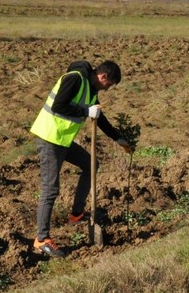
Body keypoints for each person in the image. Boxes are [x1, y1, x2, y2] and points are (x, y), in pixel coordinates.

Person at [31, 60, 134, 258]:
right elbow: (59, 105)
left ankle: (76, 214)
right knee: (50, 189)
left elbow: (99, 118)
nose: (107, 89)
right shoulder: (75, 79)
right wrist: (86, 111)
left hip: (63, 140)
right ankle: (41, 239)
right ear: (103, 77)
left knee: (91, 164)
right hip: (49, 138)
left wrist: (118, 139)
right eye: (109, 85)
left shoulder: (90, 89)